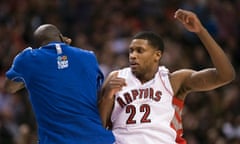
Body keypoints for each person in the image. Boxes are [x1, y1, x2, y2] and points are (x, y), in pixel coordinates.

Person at [98, 9, 236, 144]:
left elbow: (225, 75)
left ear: (157, 55)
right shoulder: (116, 77)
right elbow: (97, 128)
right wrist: (107, 97)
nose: (133, 55)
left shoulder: (172, 80)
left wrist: (201, 32)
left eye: (140, 51)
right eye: (131, 51)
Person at [4, 24, 115, 144]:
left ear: (38, 46)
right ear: (62, 38)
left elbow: (9, 87)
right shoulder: (89, 57)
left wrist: (34, 79)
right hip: (98, 139)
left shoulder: (28, 59)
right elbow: (98, 96)